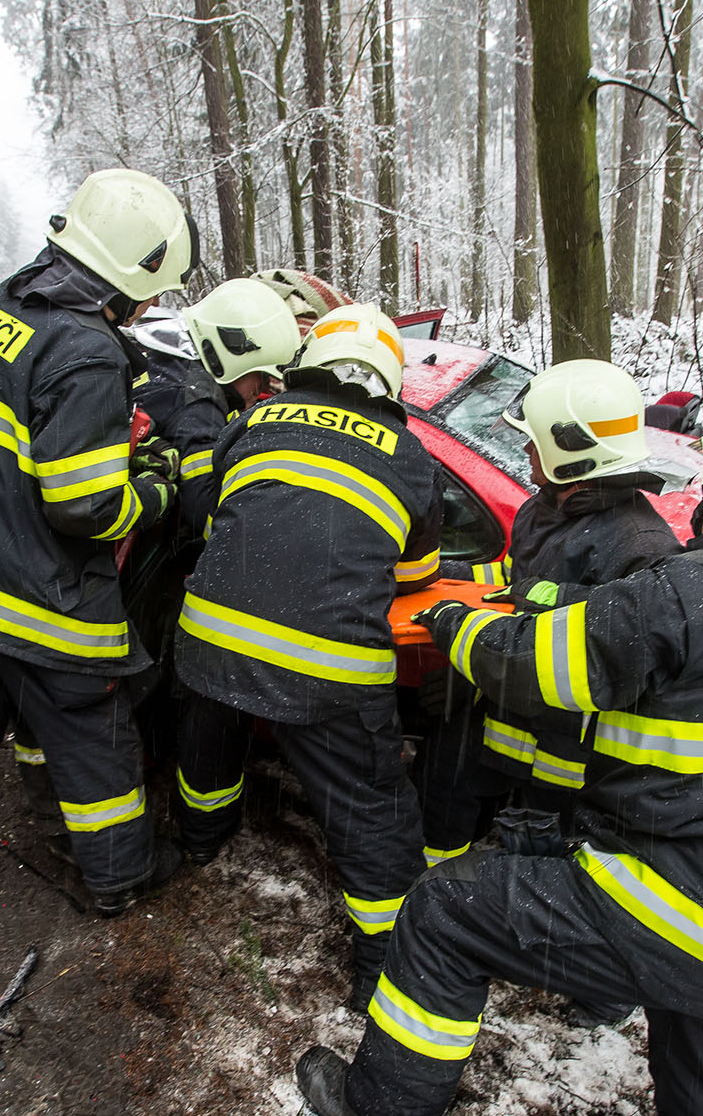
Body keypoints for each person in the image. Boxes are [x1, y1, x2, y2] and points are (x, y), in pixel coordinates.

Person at [297, 393, 703, 1116]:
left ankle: (378, 1106)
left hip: (678, 909)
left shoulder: (687, 594)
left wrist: (450, 623)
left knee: (444, 910)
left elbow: (531, 666)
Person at [0, 168, 195, 921]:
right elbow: (84, 506)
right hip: (32, 595)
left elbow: (9, 444)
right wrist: (156, 489)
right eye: (152, 291)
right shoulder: (88, 351)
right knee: (92, 735)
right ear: (132, 273)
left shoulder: (5, 305)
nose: (150, 308)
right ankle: (121, 874)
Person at [174, 304, 444, 1008]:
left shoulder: (254, 422)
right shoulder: (409, 456)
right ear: (388, 382)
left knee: (209, 737)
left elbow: (219, 515)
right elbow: (415, 575)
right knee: (370, 807)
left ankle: (200, 839)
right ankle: (385, 969)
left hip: (210, 638)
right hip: (326, 669)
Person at [418, 360, 685, 867]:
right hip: (501, 709)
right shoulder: (543, 508)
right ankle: (434, 885)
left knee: (542, 854)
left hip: (564, 755)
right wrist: (440, 575)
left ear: (572, 453)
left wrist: (536, 604)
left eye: (534, 440)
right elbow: (514, 583)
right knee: (441, 788)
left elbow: (624, 647)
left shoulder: (642, 547)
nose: (525, 450)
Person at [130, 276, 302, 544]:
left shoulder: (171, 358)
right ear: (232, 352)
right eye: (260, 374)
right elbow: (202, 510)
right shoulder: (199, 404)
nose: (262, 387)